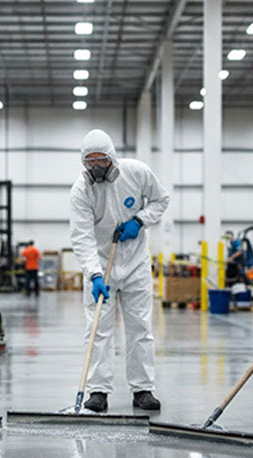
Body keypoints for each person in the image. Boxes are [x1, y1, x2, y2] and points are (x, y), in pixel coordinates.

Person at [69, 128, 171, 412]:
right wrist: (94, 274)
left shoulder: (137, 172)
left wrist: (139, 220)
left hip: (136, 263)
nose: (97, 168)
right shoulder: (81, 190)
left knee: (140, 327)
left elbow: (161, 201)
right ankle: (98, 391)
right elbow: (81, 236)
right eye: (90, 163)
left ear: (112, 158)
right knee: (97, 330)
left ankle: (143, 389)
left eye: (101, 161)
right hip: (101, 264)